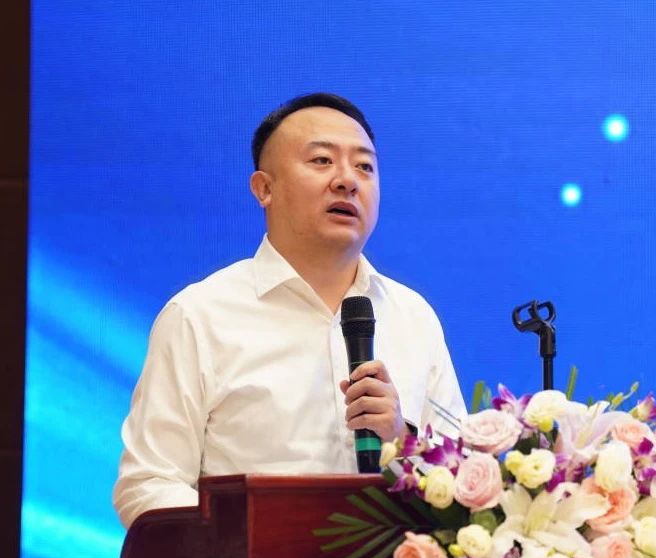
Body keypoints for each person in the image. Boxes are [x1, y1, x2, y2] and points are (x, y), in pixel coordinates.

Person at [113, 93, 467, 528]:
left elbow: (465, 484)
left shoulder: (413, 317)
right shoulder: (199, 315)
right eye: (322, 161)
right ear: (264, 188)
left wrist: (402, 438)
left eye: (364, 166)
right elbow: (149, 483)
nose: (347, 181)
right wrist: (251, 539)